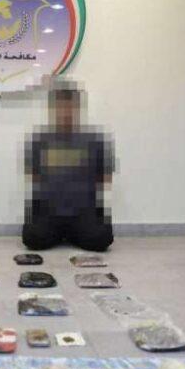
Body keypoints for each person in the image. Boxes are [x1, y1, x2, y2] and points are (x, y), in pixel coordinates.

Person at [22, 86, 114, 251]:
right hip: (49, 209)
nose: (65, 113)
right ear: (53, 111)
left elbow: (104, 178)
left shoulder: (94, 142)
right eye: (61, 108)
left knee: (102, 238)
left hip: (83, 210)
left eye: (70, 108)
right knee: (32, 238)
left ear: (77, 110)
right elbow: (34, 176)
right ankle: (65, 233)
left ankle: (69, 234)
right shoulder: (39, 142)